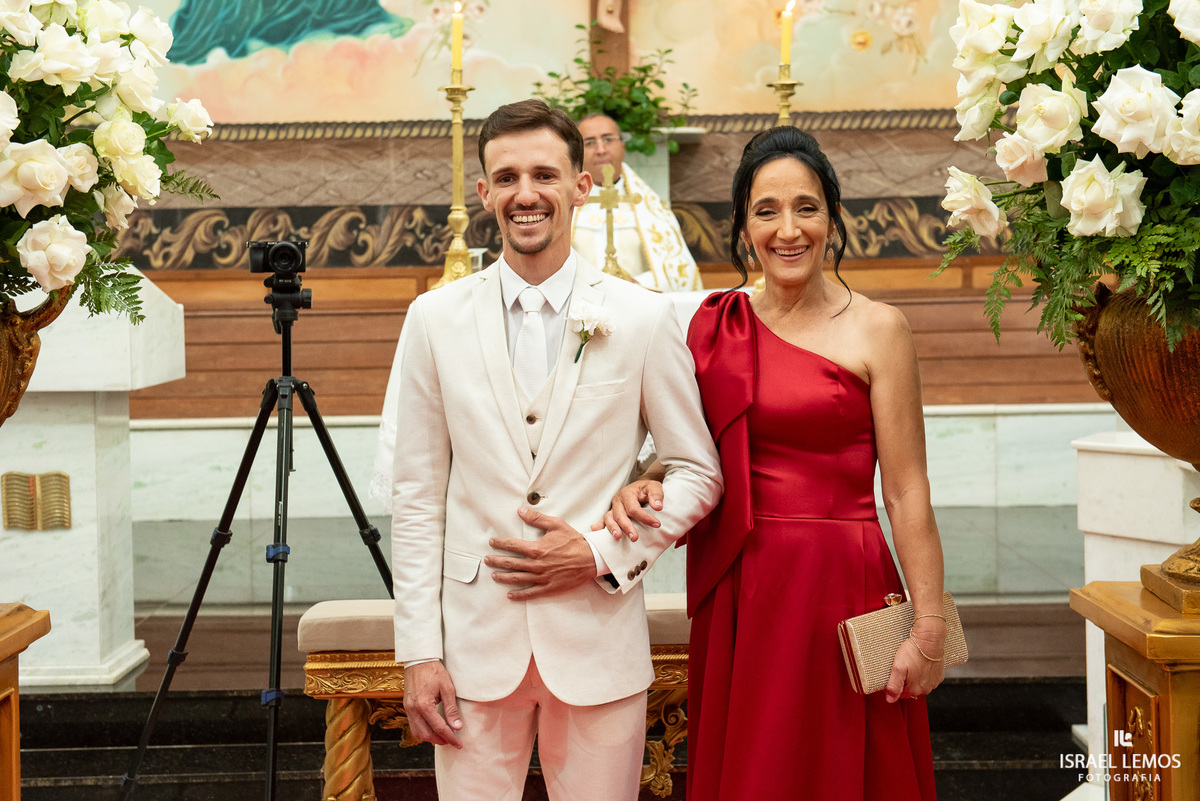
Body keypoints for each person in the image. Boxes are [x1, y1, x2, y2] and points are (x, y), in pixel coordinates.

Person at [389, 98, 723, 801]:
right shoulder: (433, 319)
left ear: (582, 184)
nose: (526, 193)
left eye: (545, 173)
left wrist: (602, 553)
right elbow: (417, 497)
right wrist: (419, 651)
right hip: (474, 648)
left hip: (598, 639)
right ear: (484, 193)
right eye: (506, 177)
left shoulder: (640, 318)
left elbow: (697, 469)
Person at [600, 126, 945, 800]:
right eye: (767, 211)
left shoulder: (880, 328)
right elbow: (685, 451)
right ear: (743, 226)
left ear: (833, 217)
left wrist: (929, 623)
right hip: (745, 591)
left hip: (847, 585)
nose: (788, 230)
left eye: (806, 208)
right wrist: (635, 484)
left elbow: (906, 491)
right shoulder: (711, 326)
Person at [571, 113, 702, 292]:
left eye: (608, 139)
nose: (601, 150)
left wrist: (638, 284)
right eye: (590, 142)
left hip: (638, 300)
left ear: (622, 146)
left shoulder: (648, 207)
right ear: (578, 153)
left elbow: (678, 269)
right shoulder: (567, 205)